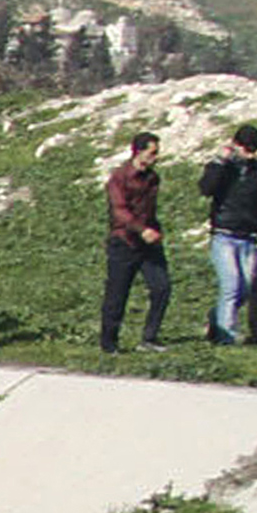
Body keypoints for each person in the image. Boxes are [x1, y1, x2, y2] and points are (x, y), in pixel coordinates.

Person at [100, 132, 172, 354]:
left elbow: (150, 209)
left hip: (148, 243)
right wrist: (142, 230)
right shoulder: (119, 178)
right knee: (117, 294)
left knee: (162, 287)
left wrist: (155, 231)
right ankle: (109, 343)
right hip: (124, 242)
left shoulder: (153, 178)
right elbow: (119, 211)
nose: (156, 157)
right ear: (138, 151)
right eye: (152, 153)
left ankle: (149, 338)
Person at [198, 123, 257, 347]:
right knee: (231, 285)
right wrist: (219, 161)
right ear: (236, 146)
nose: (250, 155)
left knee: (246, 288)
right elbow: (206, 189)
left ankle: (216, 319)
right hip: (224, 234)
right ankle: (226, 337)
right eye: (247, 149)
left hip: (250, 236)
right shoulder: (224, 168)